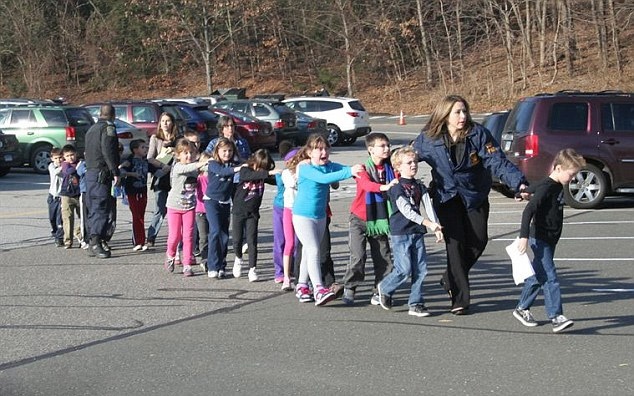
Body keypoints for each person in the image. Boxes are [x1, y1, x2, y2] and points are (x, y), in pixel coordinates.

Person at [412, 95, 528, 315]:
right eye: (457, 112)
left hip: (474, 195)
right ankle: (460, 299)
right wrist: (386, 171)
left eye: (465, 111)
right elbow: (406, 157)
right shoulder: (428, 138)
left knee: (478, 240)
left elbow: (497, 162)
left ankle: (450, 278)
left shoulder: (478, 134)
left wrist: (519, 183)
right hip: (446, 197)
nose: (463, 116)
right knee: (454, 247)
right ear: (445, 115)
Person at [512, 148, 585, 333]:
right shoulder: (548, 187)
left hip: (550, 238)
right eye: (571, 174)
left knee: (538, 275)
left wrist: (523, 192)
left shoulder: (554, 184)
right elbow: (528, 211)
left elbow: (535, 187)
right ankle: (556, 316)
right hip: (540, 238)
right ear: (559, 168)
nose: (573, 179)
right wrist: (523, 237)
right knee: (550, 277)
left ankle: (522, 308)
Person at [292, 134, 363, 306]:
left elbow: (342, 169)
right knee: (314, 249)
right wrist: (349, 172)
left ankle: (302, 285)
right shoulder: (306, 168)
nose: (324, 152)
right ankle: (319, 289)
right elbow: (324, 179)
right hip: (302, 215)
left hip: (320, 215)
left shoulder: (329, 166)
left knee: (310, 252)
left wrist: (358, 169)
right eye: (318, 149)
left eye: (326, 148)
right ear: (309, 152)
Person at [376, 147, 444, 317]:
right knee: (404, 269)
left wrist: (436, 226)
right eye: (409, 163)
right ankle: (384, 288)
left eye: (414, 162)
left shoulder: (419, 185)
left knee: (421, 269)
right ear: (398, 167)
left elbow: (428, 205)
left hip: (417, 232)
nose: (413, 165)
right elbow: (406, 210)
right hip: (401, 232)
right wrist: (427, 223)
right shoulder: (397, 188)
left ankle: (416, 303)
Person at [341, 133, 398, 306]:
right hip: (360, 217)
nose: (386, 149)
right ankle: (350, 287)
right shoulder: (362, 169)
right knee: (358, 256)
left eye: (388, 145)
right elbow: (366, 185)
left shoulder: (391, 168)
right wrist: (384, 186)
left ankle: (380, 289)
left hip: (380, 219)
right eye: (382, 146)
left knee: (383, 256)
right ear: (370, 149)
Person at [231, 149, 280, 282]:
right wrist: (267, 173)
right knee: (237, 240)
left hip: (253, 213)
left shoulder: (263, 175)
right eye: (261, 167)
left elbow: (274, 179)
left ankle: (252, 269)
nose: (262, 170)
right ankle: (238, 258)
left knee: (252, 241)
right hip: (239, 211)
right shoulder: (245, 169)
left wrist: (284, 175)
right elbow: (249, 176)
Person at [164, 139, 207, 277]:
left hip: (189, 207)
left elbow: (206, 169)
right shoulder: (177, 167)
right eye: (185, 153)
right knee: (175, 236)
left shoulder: (195, 168)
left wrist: (214, 164)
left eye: (191, 153)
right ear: (178, 155)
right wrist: (201, 163)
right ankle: (170, 255)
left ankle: (187, 264)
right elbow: (187, 168)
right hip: (174, 206)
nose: (189, 156)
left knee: (188, 236)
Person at [84, 104, 120, 259]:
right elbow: (108, 150)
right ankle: (96, 241)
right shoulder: (108, 128)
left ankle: (93, 240)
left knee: (92, 207)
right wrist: (115, 171)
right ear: (113, 115)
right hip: (101, 173)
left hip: (91, 172)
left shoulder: (91, 129)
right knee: (101, 206)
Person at [204, 138, 243, 279]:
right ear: (217, 151)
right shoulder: (213, 163)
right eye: (224, 151)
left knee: (224, 235)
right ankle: (212, 266)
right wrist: (237, 169)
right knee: (214, 231)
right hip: (211, 201)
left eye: (230, 151)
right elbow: (223, 172)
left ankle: (221, 265)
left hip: (225, 202)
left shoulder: (234, 163)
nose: (227, 153)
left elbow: (247, 164)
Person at [120, 139, 159, 251]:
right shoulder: (130, 160)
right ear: (135, 150)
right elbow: (121, 171)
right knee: (136, 215)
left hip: (143, 191)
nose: (145, 149)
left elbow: (157, 172)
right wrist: (131, 174)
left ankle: (142, 241)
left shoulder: (146, 162)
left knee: (141, 215)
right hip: (132, 191)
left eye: (146, 147)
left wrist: (168, 168)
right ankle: (137, 241)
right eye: (142, 147)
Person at [146, 112, 178, 247]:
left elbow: (184, 155)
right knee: (160, 208)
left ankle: (175, 237)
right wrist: (162, 165)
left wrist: (174, 153)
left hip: (175, 177)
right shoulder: (155, 138)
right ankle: (151, 237)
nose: (165, 123)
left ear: (172, 123)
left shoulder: (178, 139)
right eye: (163, 121)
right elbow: (149, 158)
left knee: (175, 209)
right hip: (160, 177)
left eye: (168, 121)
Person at [59, 145, 83, 249]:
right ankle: (68, 241)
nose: (70, 158)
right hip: (67, 195)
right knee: (68, 218)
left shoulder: (81, 163)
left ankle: (80, 234)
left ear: (76, 154)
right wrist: (77, 168)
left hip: (79, 194)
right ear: (64, 157)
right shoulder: (65, 165)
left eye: (72, 155)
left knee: (83, 217)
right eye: (67, 156)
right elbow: (68, 172)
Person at [47, 147, 64, 247]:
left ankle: (59, 237)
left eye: (60, 158)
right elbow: (55, 172)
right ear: (52, 158)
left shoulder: (65, 167)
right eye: (56, 158)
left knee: (60, 219)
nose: (58, 160)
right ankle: (55, 233)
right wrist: (65, 165)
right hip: (52, 197)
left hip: (61, 197)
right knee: (52, 218)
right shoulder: (51, 166)